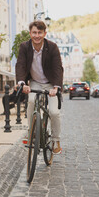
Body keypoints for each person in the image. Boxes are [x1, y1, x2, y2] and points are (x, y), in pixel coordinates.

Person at [16, 20, 63, 154]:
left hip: (50, 83)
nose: (37, 35)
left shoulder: (52, 47)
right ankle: (31, 133)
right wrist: (22, 83)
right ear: (30, 33)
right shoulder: (25, 47)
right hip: (35, 82)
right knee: (31, 101)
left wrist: (56, 87)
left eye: (40, 33)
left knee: (54, 112)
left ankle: (55, 140)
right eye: (34, 32)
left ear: (44, 33)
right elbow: (20, 65)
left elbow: (57, 68)